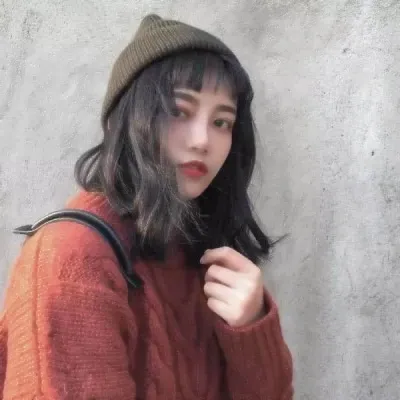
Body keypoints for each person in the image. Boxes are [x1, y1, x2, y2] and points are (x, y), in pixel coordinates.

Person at [0, 14, 293, 400]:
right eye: (179, 111)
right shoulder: (71, 259)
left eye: (222, 122)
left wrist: (251, 331)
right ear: (128, 118)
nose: (203, 140)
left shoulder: (203, 255)